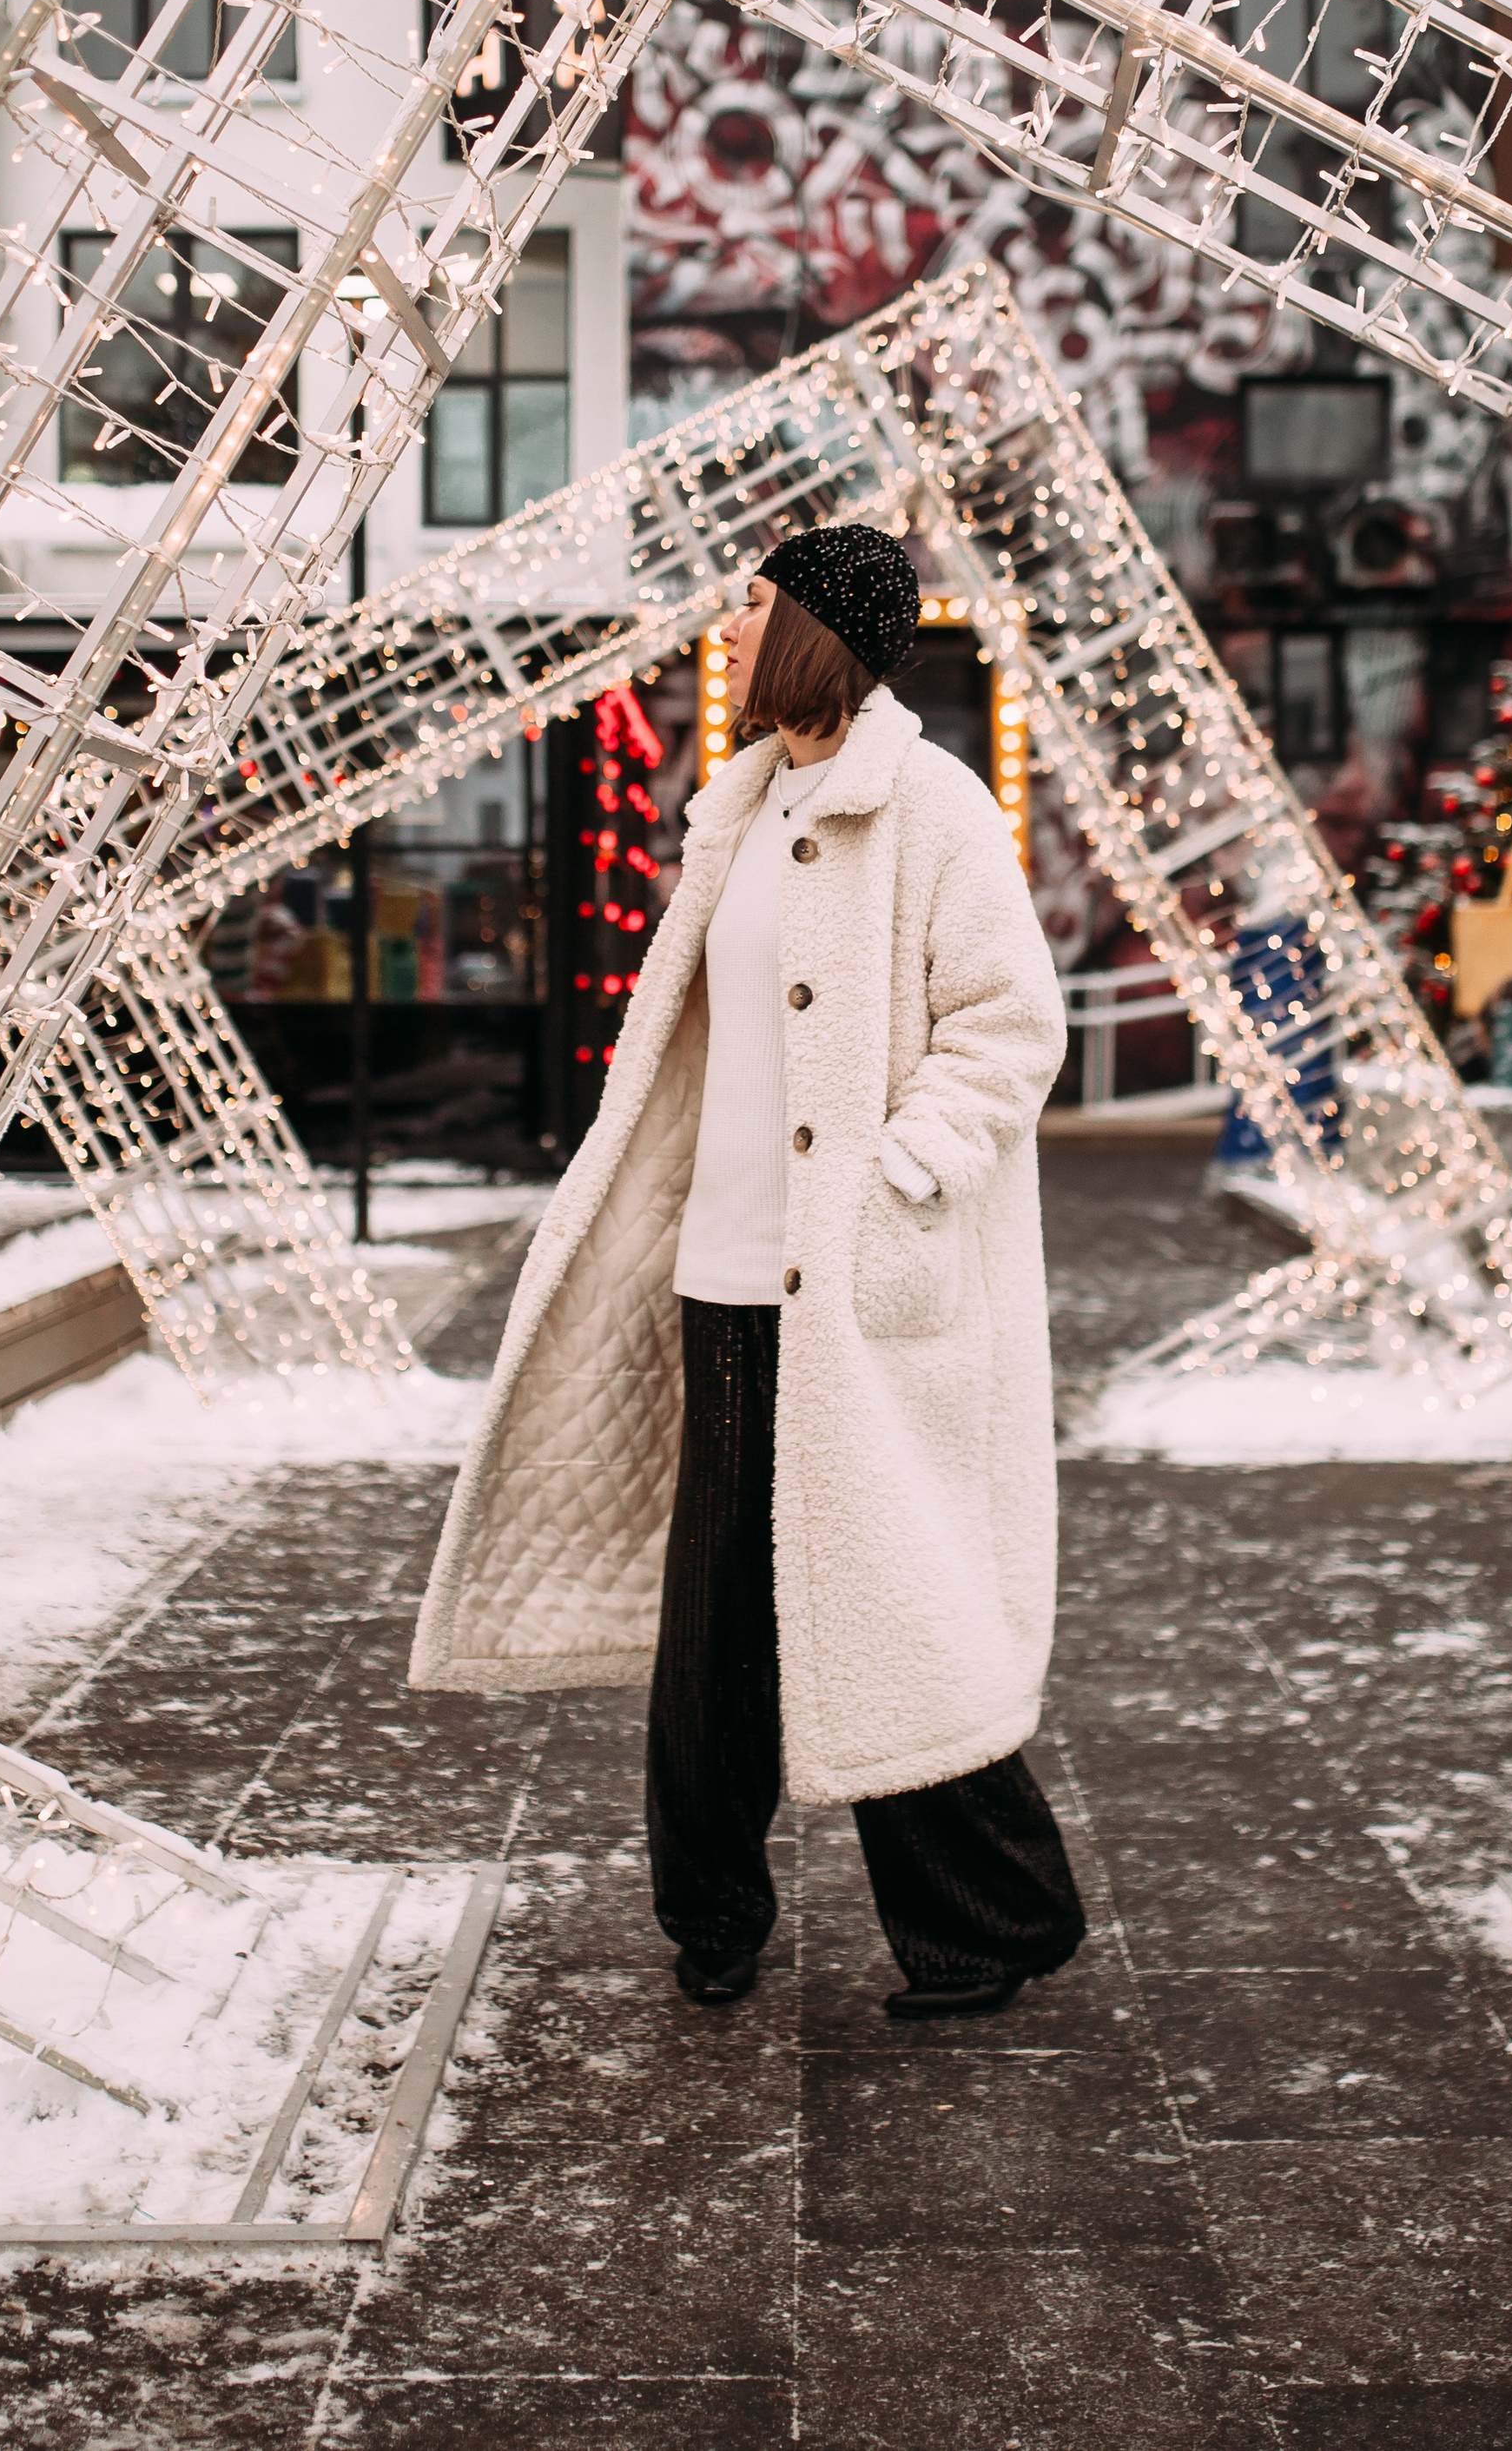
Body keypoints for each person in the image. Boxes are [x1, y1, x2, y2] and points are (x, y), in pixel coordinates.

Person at [410, 522, 1085, 2017]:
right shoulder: (739, 803)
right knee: (716, 1613)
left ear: (815, 629)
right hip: (720, 1268)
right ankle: (710, 1914)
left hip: (854, 1287)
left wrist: (902, 1175)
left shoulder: (932, 806)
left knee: (885, 1592)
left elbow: (1011, 1022)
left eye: (754, 604)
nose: (730, 626)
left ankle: (997, 1918)